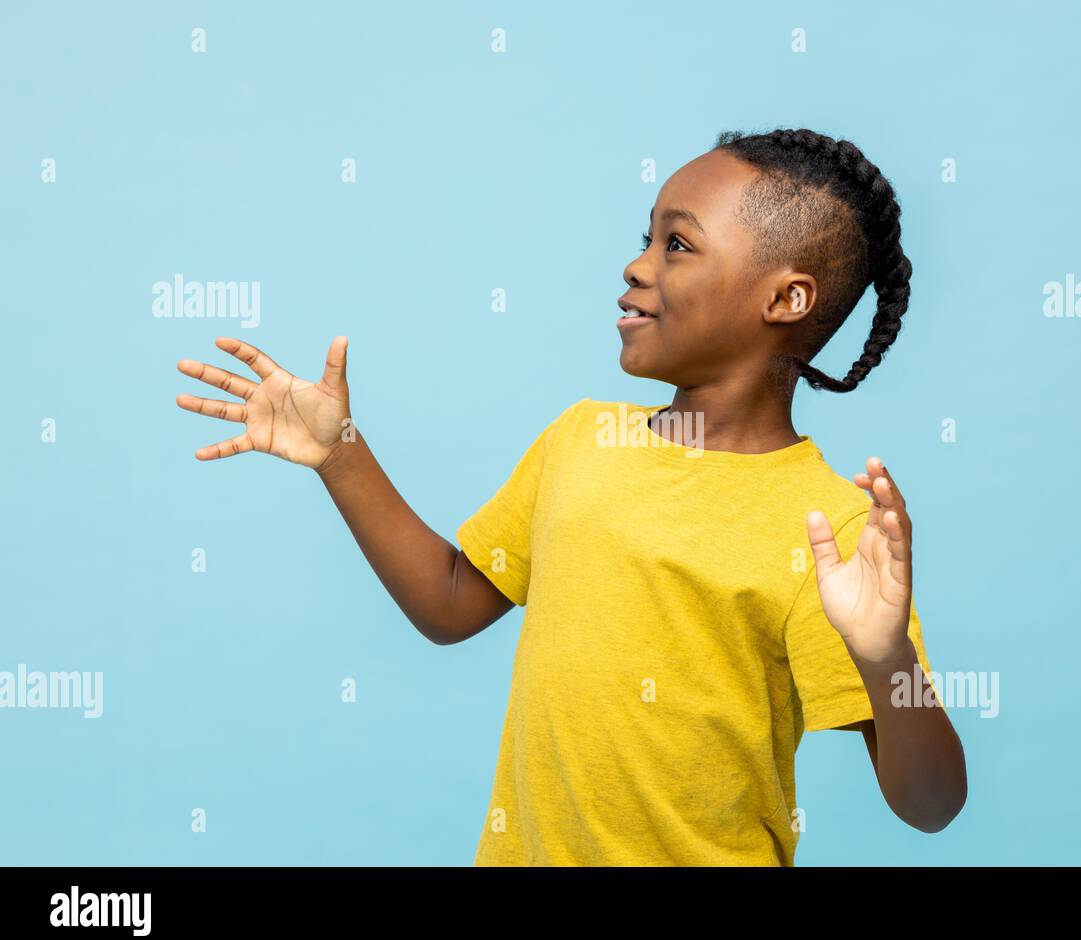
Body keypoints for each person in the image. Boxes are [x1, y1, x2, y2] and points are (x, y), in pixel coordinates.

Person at [174, 127, 967, 866]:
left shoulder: (831, 527)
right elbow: (451, 604)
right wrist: (336, 454)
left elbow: (930, 805)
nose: (638, 264)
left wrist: (888, 657)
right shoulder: (582, 440)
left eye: (679, 244)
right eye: (646, 237)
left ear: (785, 300)